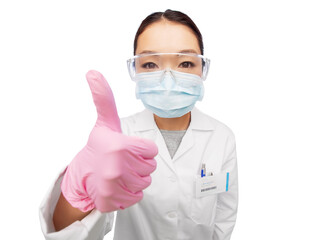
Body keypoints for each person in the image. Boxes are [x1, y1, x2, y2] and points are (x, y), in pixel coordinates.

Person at [39, 9, 239, 240]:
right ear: (134, 69)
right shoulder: (118, 136)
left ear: (202, 69)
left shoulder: (222, 136)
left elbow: (224, 218)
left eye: (185, 63)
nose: (168, 78)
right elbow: (69, 232)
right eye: (151, 64)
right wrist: (77, 191)